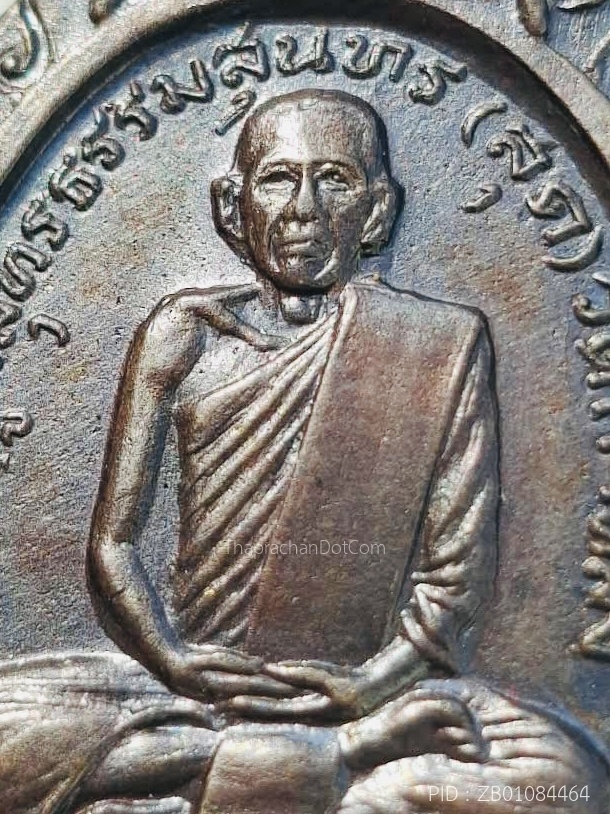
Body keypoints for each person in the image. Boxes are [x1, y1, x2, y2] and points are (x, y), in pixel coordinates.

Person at [0, 90, 607, 814]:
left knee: (570, 782)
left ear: (377, 212)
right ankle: (324, 772)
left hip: (372, 699)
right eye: (279, 180)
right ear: (233, 208)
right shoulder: (183, 334)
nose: (303, 211)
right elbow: (115, 544)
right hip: (188, 697)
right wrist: (172, 660)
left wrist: (366, 688)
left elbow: (455, 581)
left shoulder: (438, 345)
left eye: (335, 182)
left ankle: (243, 777)